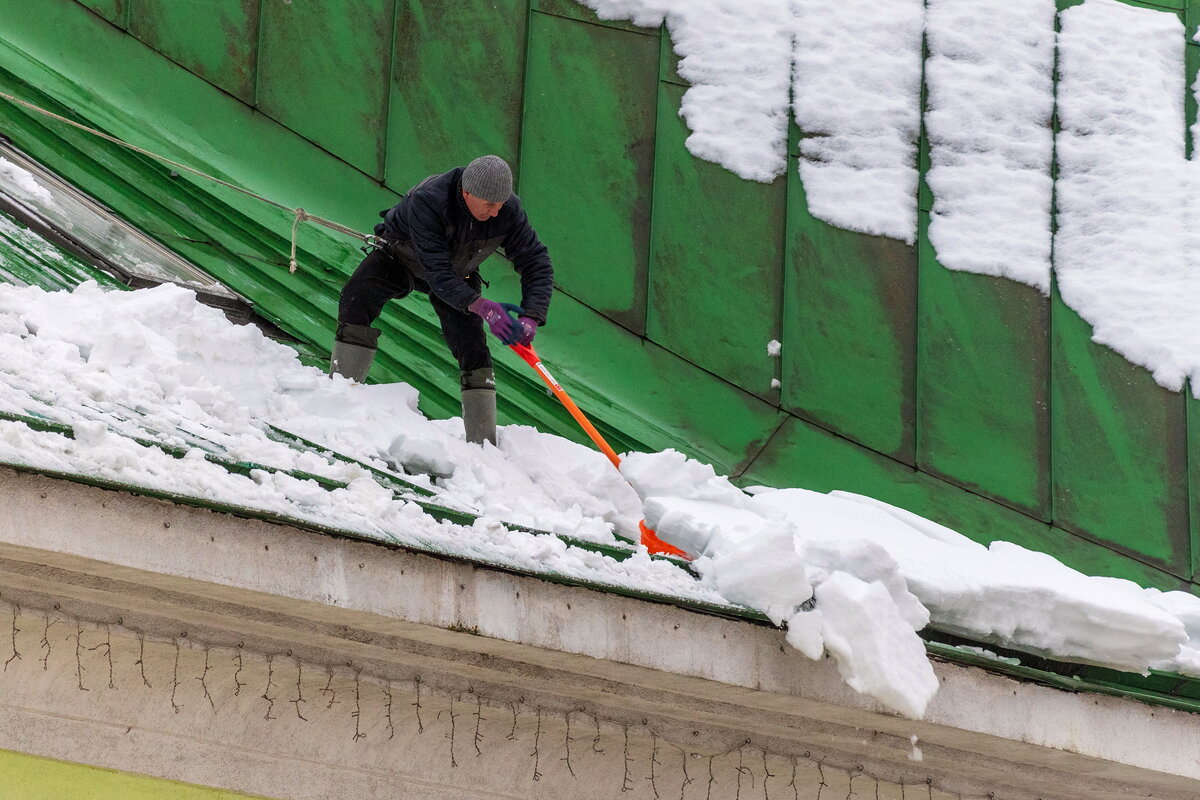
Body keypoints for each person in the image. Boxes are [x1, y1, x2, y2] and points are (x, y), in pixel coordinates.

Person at [330, 155, 553, 446]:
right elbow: (437, 273)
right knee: (356, 297)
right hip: (401, 257)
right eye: (489, 204)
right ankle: (338, 397)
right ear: (467, 192)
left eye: (501, 204)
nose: (496, 212)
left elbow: (536, 262)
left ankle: (482, 445)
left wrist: (532, 315)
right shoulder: (430, 200)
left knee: (474, 348)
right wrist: (483, 306)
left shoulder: (507, 209)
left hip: (460, 274)